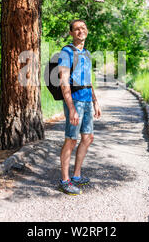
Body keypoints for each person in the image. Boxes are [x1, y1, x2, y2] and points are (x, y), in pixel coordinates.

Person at [57, 19, 102, 195]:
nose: (80, 31)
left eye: (83, 28)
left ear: (87, 31)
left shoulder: (87, 54)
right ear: (71, 33)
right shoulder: (66, 52)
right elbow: (63, 82)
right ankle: (65, 180)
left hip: (86, 100)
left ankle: (76, 176)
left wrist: (95, 101)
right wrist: (72, 108)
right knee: (71, 140)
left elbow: (88, 81)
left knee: (88, 137)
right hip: (74, 101)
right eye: (76, 29)